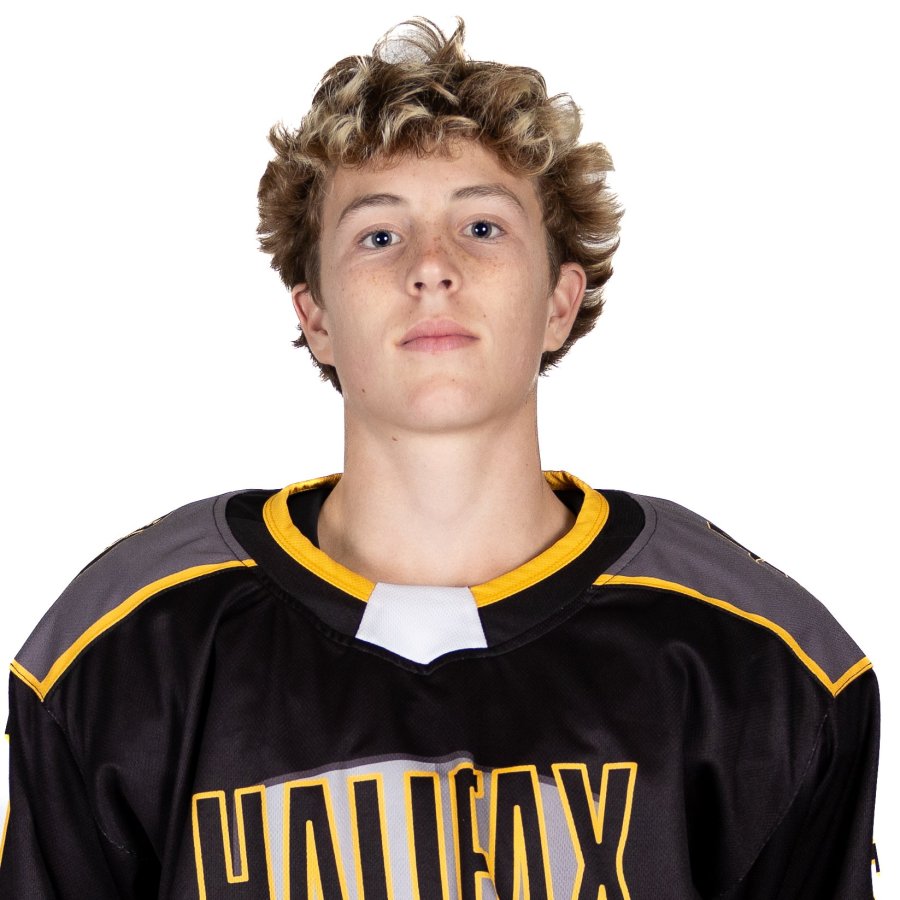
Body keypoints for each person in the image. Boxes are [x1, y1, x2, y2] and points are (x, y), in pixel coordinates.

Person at [0, 18, 879, 899]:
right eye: (379, 235)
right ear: (316, 316)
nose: (431, 268)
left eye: (482, 227)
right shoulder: (127, 649)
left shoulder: (759, 664)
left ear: (559, 302)